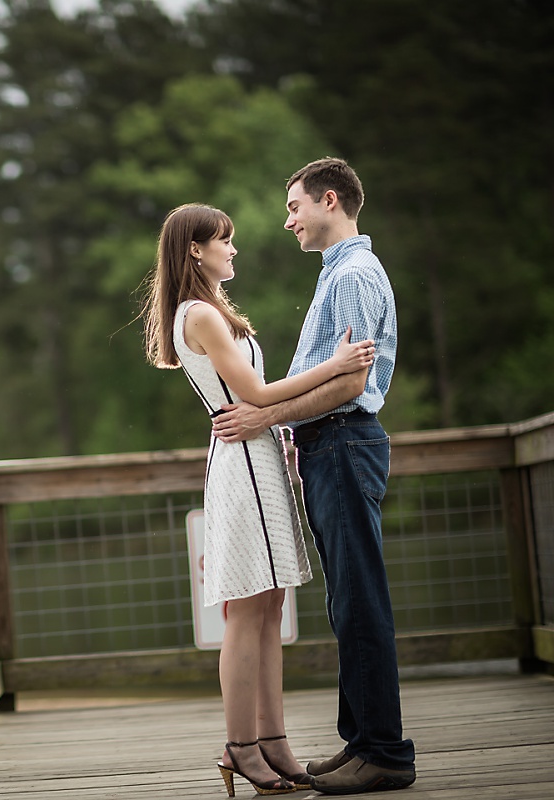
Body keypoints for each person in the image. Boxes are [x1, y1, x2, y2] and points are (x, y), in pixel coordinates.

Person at [140, 203, 375, 796]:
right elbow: (257, 392)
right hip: (242, 464)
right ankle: (240, 746)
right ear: (196, 249)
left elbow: (258, 403)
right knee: (247, 609)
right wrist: (337, 365)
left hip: (260, 457)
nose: (234, 249)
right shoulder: (199, 315)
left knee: (271, 605)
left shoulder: (212, 312)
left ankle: (275, 742)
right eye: (226, 241)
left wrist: (278, 430)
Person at [211, 157, 417, 794]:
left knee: (360, 600)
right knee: (346, 600)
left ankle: (383, 751)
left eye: (295, 206)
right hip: (331, 448)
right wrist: (279, 422)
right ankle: (363, 744)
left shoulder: (353, 273)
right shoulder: (338, 273)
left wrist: (264, 416)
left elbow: (351, 382)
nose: (287, 219)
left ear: (330, 201)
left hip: (345, 443)